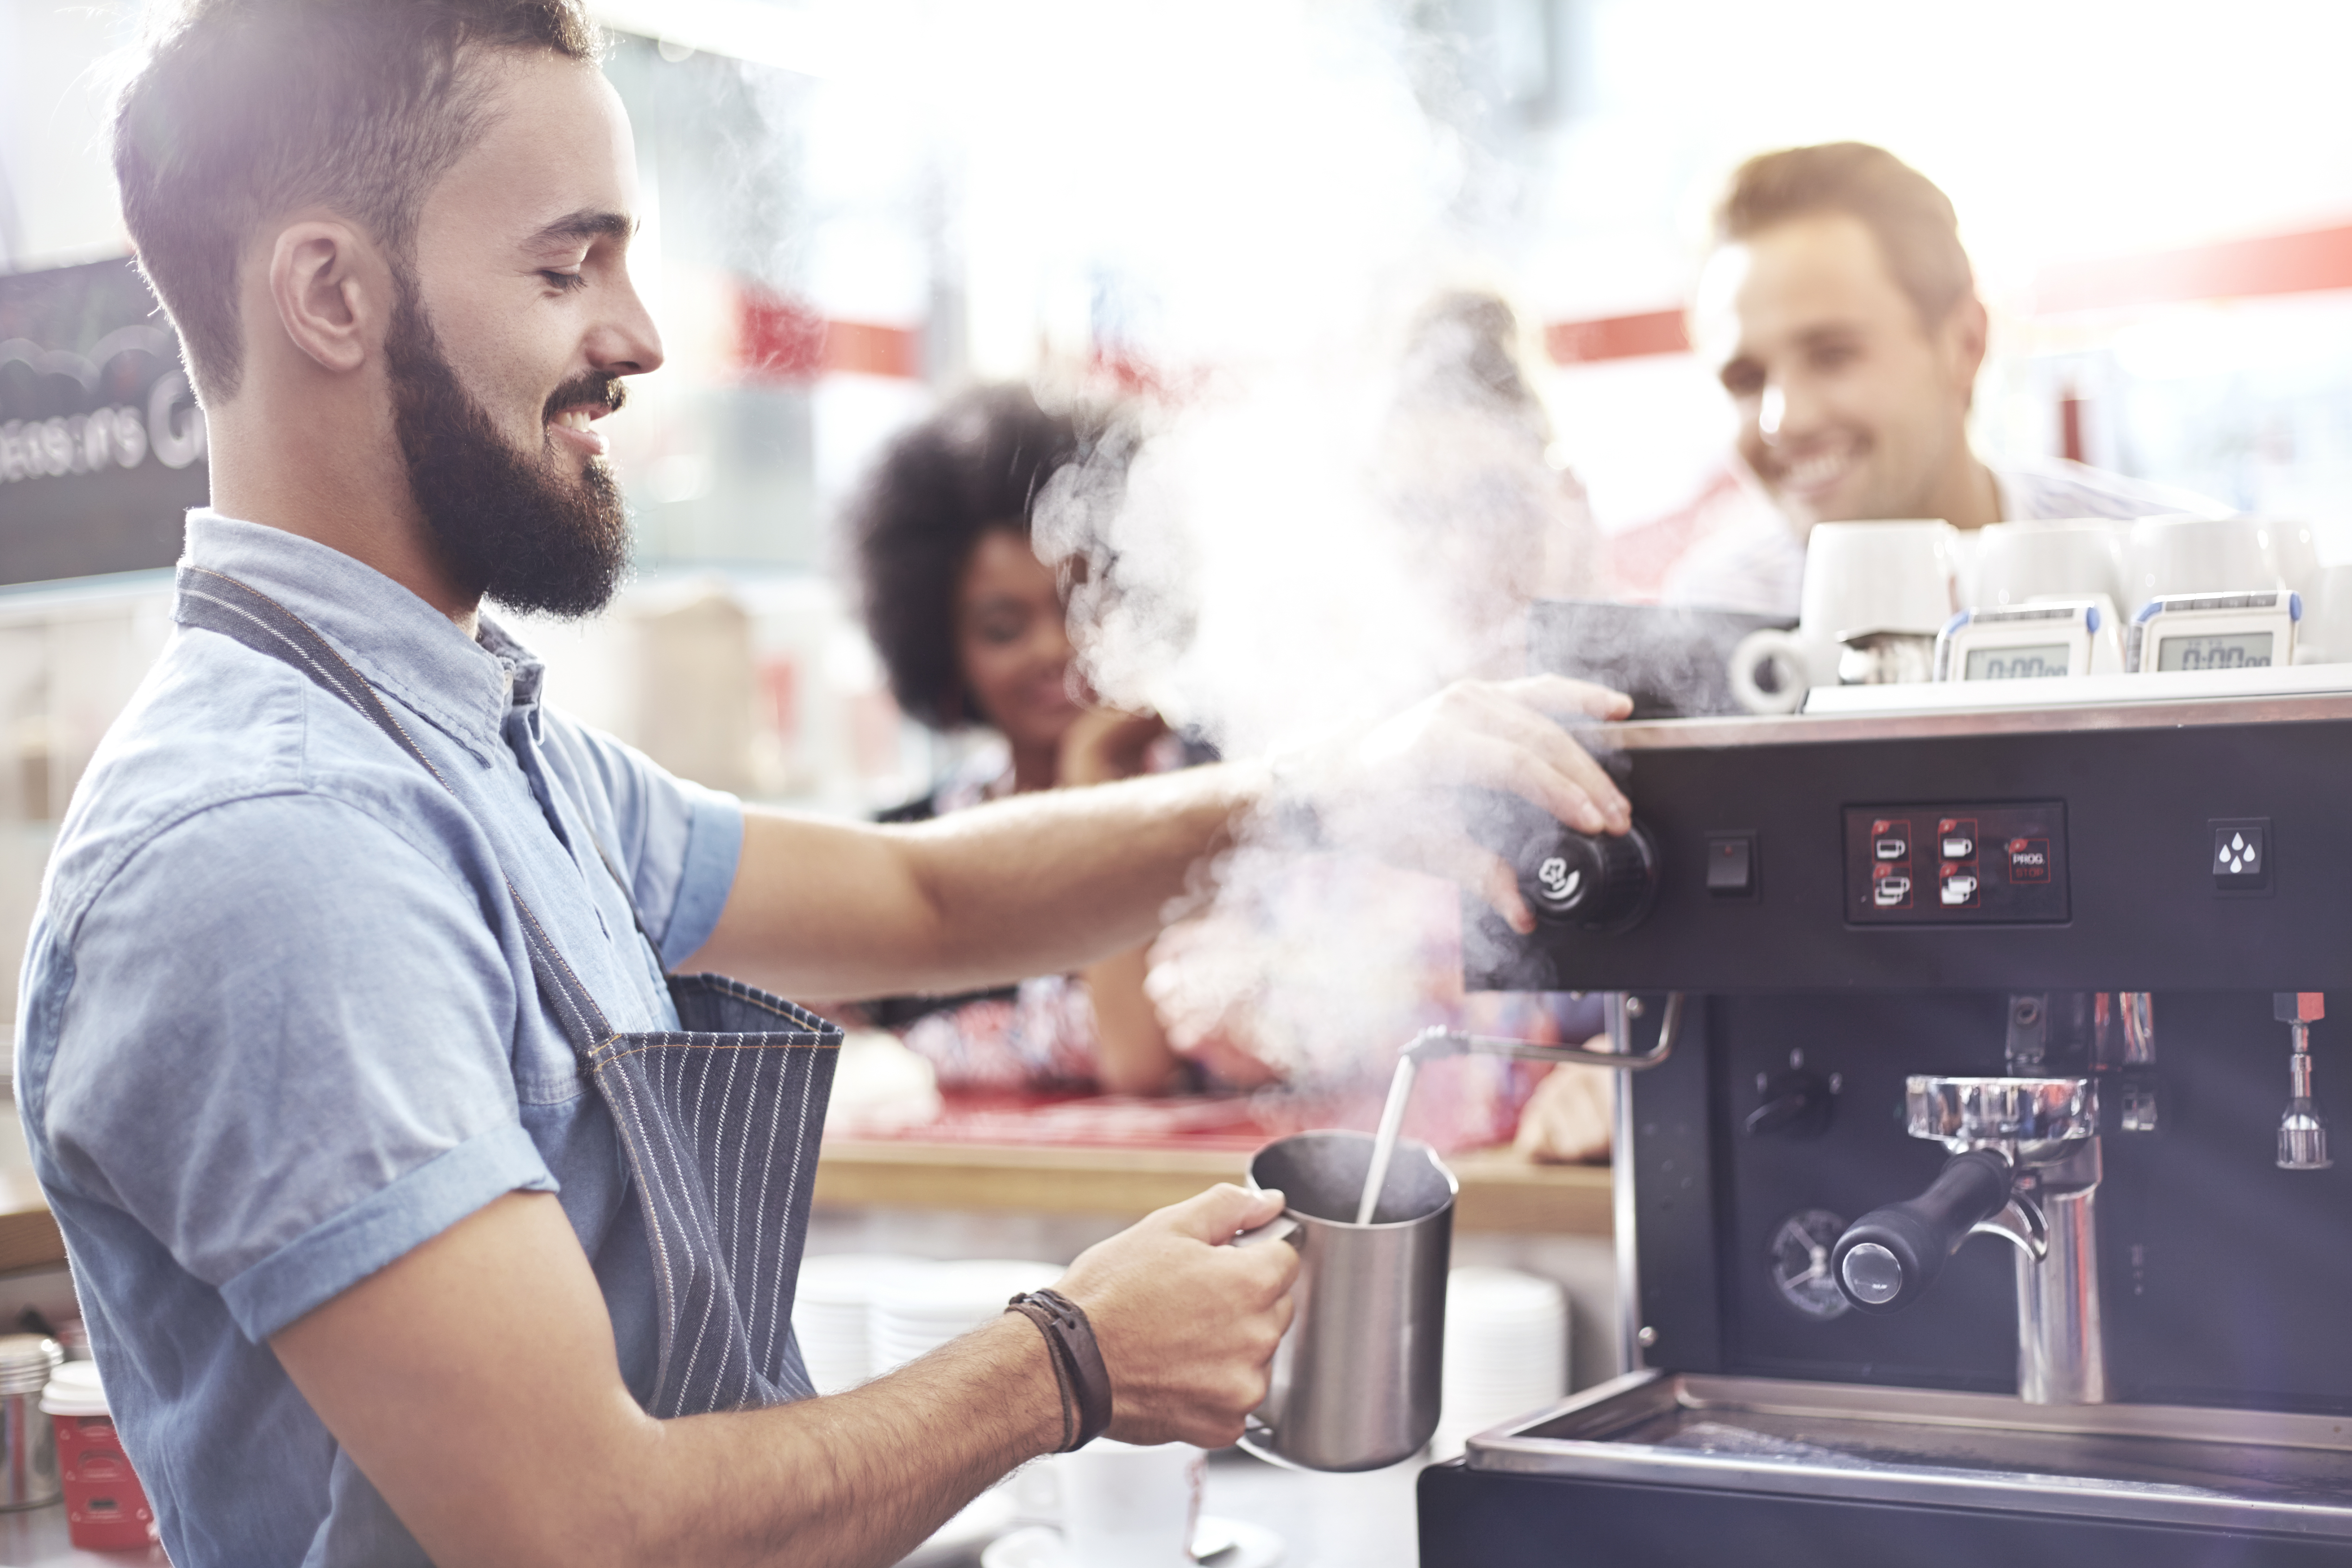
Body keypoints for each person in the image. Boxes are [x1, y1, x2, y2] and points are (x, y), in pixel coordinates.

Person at [13, 4, 1635, 1564]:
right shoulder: (276, 850)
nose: (639, 338)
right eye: (566, 264)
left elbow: (920, 896)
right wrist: (1067, 1360)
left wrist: (1323, 782)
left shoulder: (474, 749)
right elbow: (584, 1529)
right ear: (329, 294)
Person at [846, 383, 1266, 1094]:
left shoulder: (1221, 807)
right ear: (944, 648)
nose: (1054, 647)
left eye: (1081, 601)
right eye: (1003, 628)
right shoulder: (914, 842)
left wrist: (1093, 770)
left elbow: (1135, 1066)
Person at [1668, 141, 2229, 615]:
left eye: (1833, 355)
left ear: (1964, 343)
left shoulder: (2187, 577)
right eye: (1744, 380)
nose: (1784, 418)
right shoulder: (1717, 613)